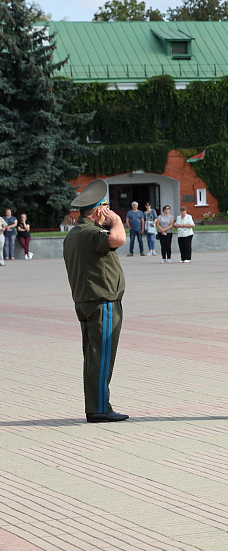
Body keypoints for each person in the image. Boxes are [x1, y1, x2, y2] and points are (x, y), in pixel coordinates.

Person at [62, 179, 128, 422]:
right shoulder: (92, 233)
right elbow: (119, 239)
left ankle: (97, 405)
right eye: (107, 208)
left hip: (85, 301)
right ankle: (100, 408)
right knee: (101, 356)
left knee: (93, 356)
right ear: (100, 210)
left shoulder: (74, 234)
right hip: (103, 303)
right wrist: (118, 221)